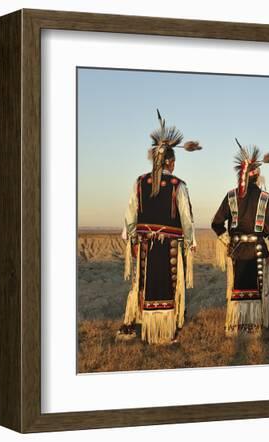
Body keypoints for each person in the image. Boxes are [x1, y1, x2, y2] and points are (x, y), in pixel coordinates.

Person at [118, 110, 202, 344]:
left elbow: (130, 213)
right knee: (168, 286)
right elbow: (186, 217)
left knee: (143, 282)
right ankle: (165, 331)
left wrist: (130, 237)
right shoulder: (178, 185)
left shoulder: (140, 182)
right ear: (171, 162)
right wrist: (191, 240)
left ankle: (140, 324)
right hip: (170, 247)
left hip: (145, 245)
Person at [212, 139, 269, 336]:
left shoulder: (231, 196)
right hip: (257, 252)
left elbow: (216, 223)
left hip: (236, 251)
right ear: (257, 176)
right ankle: (254, 327)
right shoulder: (265, 198)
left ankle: (236, 326)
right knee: (257, 290)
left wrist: (228, 242)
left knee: (236, 287)